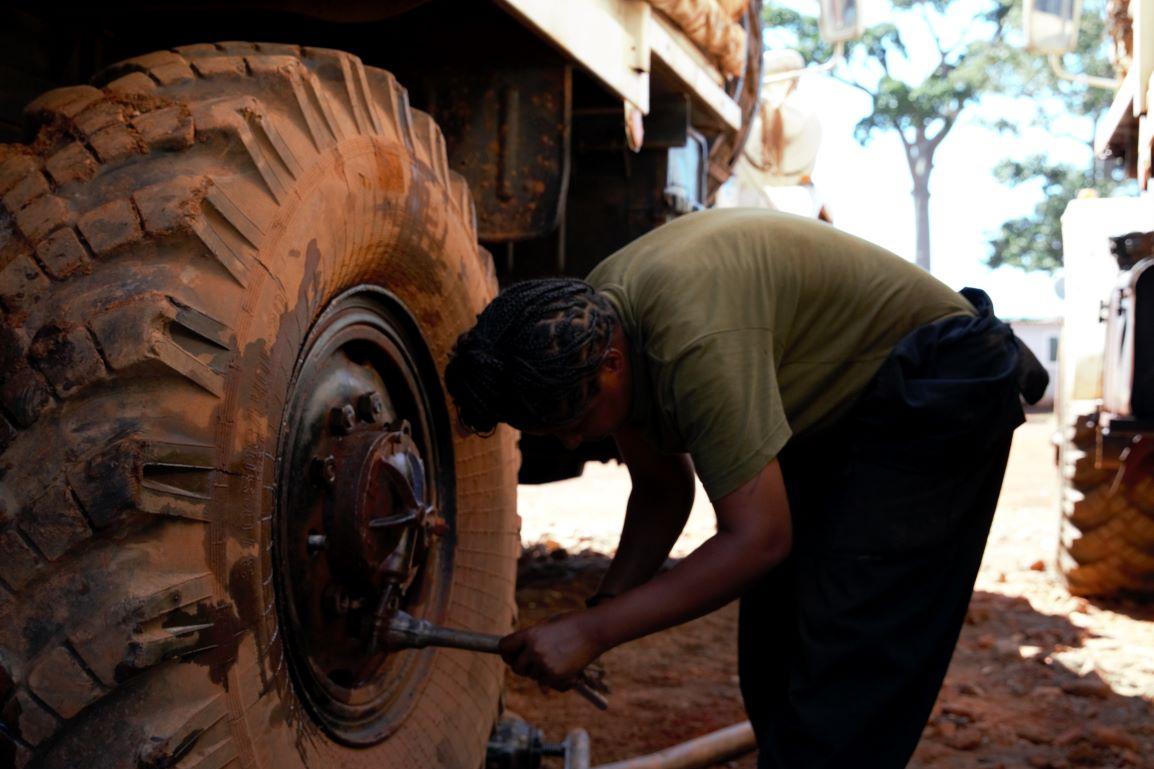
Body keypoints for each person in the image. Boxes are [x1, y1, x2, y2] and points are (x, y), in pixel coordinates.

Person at [443, 208, 1046, 769]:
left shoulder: (691, 340)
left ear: (612, 364)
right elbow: (662, 490)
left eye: (574, 421)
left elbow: (759, 540)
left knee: (848, 671)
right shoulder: (592, 321)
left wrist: (590, 633)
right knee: (774, 658)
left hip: (937, 380)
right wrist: (604, 611)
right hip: (844, 409)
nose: (573, 440)